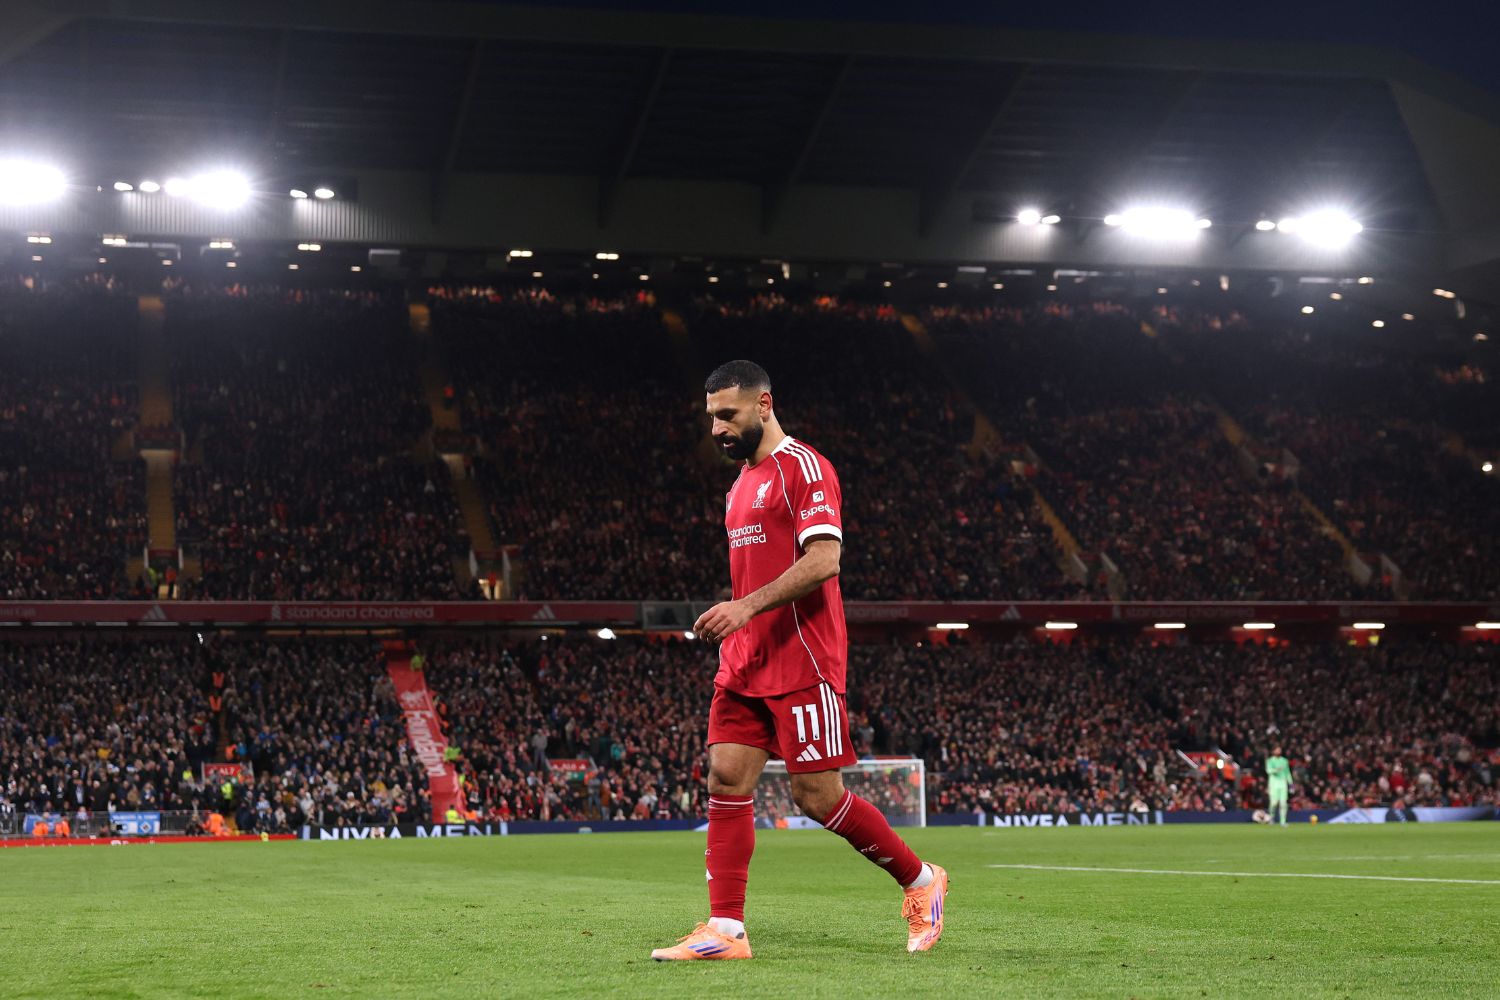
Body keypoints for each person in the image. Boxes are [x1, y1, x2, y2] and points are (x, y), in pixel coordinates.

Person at [651, 360, 948, 962]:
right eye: (711, 417)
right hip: (744, 661)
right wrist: (741, 621)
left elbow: (823, 562)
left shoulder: (805, 469)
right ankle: (725, 931)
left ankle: (921, 881)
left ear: (764, 404)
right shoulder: (739, 483)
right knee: (726, 779)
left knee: (816, 797)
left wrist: (744, 608)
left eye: (727, 414)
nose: (717, 428)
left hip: (802, 659)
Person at [1265, 746, 1291, 828]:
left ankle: (1283, 821)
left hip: (1283, 783)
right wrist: (1277, 769)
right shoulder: (1269, 761)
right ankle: (1271, 818)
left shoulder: (1284, 761)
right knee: (1273, 803)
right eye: (1277, 750)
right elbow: (1269, 771)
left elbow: (1287, 773)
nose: (1279, 751)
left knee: (1283, 803)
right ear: (1273, 751)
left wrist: (1291, 783)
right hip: (1273, 784)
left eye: (1280, 750)